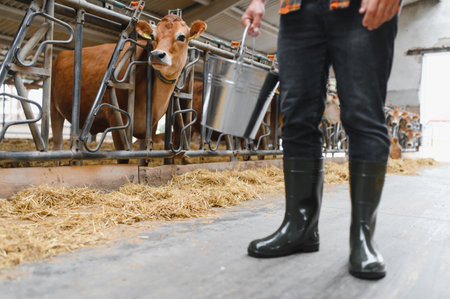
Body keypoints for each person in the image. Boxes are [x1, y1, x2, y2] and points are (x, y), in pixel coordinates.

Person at [241, 0, 400, 279]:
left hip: (360, 8)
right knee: (296, 116)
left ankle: (362, 236)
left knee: (364, 115)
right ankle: (299, 226)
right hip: (297, 11)